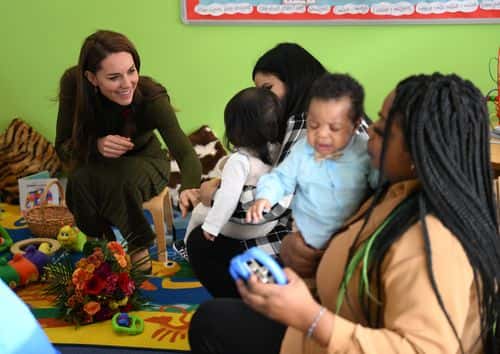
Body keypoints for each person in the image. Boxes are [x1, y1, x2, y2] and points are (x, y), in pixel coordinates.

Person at [188, 73, 500, 353]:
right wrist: (307, 262)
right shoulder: (394, 192)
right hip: (327, 321)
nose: (371, 129)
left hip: (326, 334)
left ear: (419, 150)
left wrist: (310, 318)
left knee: (213, 323)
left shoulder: (434, 240)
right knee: (215, 317)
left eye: (384, 124)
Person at [181, 43, 329, 296]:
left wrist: (211, 196)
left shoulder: (308, 126)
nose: (266, 100)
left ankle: (259, 311)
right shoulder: (311, 117)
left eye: (268, 89)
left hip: (304, 247)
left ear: (296, 80)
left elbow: (270, 205)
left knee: (202, 244)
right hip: (297, 233)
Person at [55, 30, 201, 267]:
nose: (127, 84)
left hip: (147, 161)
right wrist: (96, 146)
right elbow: (62, 147)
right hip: (98, 161)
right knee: (79, 180)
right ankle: (102, 244)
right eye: (114, 77)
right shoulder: (74, 85)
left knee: (122, 181)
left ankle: (137, 249)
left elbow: (185, 153)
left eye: (131, 71)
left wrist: (189, 188)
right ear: (92, 78)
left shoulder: (151, 96)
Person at [247, 73, 377, 251]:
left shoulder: (365, 151)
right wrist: (266, 196)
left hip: (347, 237)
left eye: (334, 128)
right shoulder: (303, 149)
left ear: (355, 125)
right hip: (306, 235)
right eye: (314, 125)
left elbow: (382, 185)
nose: (322, 135)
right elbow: (280, 178)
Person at [185, 87, 282, 248]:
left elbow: (228, 197)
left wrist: (212, 226)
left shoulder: (238, 161)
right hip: (268, 224)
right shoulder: (278, 150)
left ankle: (185, 248)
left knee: (199, 211)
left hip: (241, 229)